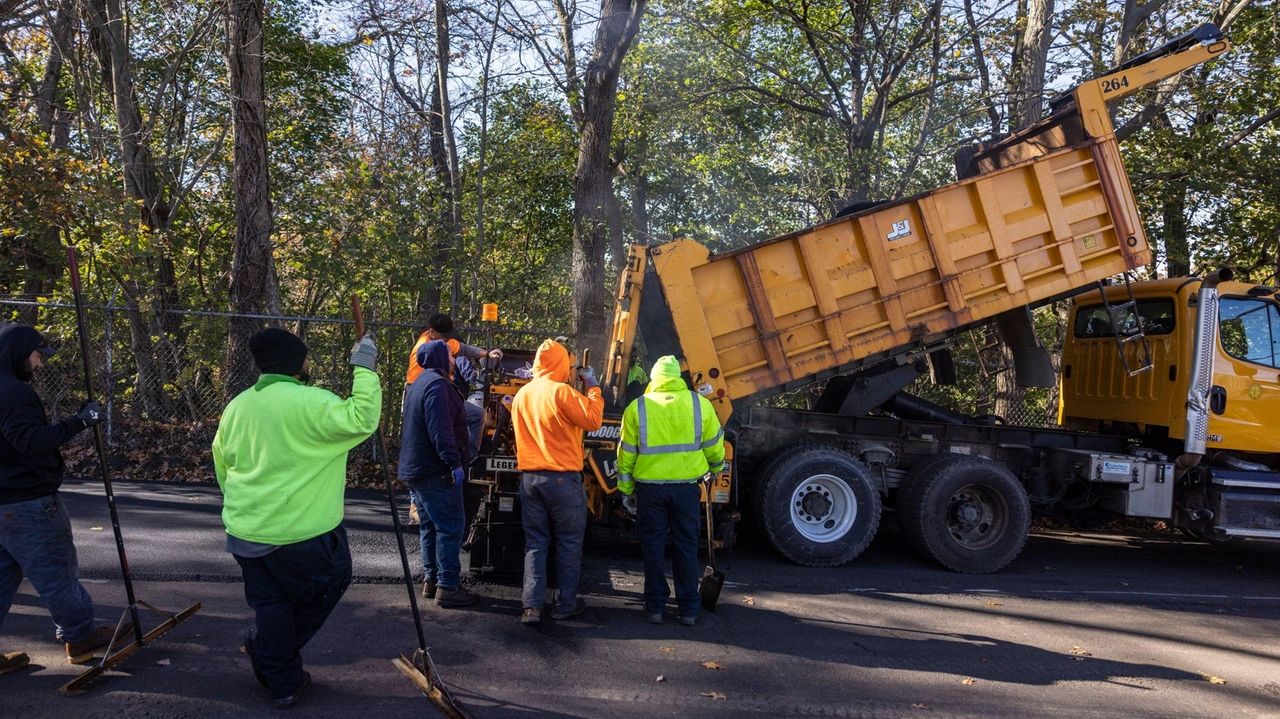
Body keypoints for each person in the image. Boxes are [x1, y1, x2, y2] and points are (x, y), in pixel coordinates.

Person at [212, 328, 381, 708]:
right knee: (328, 583)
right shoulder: (311, 402)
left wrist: (246, 507)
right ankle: (274, 656)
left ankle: (282, 677)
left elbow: (222, 464)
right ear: (298, 363)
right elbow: (361, 418)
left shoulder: (237, 407)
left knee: (271, 605)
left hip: (246, 530)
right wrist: (364, 368)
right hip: (302, 534)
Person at [0, 322, 124, 673]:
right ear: (20, 353)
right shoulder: (13, 393)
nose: (39, 364)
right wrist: (81, 422)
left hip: (4, 502)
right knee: (56, 571)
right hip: (29, 501)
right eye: (37, 355)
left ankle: (80, 634)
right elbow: (31, 441)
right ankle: (81, 636)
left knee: (3, 576)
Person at [616, 356, 725, 627]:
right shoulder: (699, 404)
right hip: (687, 488)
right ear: (678, 377)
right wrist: (716, 466)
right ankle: (689, 609)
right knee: (686, 547)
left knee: (653, 548)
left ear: (654, 378)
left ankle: (654, 608)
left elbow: (626, 453)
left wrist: (627, 488)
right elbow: (713, 443)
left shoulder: (637, 407)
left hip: (650, 491)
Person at [509, 339, 603, 626]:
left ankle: (531, 608)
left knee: (535, 544)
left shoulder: (522, 395)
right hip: (562, 480)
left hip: (529, 480)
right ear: (563, 364)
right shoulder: (563, 392)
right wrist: (594, 387)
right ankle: (564, 605)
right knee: (569, 542)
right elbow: (593, 420)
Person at [398, 339, 478, 609]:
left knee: (430, 525)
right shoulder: (438, 387)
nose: (454, 360)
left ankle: (431, 580)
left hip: (416, 468)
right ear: (441, 359)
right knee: (451, 525)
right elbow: (440, 431)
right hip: (434, 470)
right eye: (450, 356)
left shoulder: (420, 383)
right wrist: (453, 463)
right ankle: (448, 586)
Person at [404, 313, 501, 454]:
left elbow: (462, 348)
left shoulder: (441, 340)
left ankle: (469, 457)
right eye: (444, 337)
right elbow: (425, 388)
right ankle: (461, 458)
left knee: (477, 415)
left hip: (441, 393)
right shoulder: (425, 349)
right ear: (432, 332)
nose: (447, 341)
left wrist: (487, 354)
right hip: (423, 395)